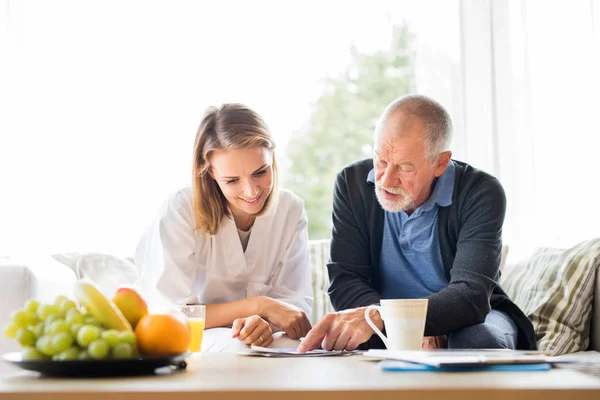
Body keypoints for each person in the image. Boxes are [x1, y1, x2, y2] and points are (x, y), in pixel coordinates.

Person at [298, 94, 536, 352]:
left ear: (440, 163)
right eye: (381, 160)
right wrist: (396, 325)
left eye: (405, 168)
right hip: (381, 321)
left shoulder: (480, 192)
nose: (386, 180)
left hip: (470, 320)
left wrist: (402, 322)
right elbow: (346, 280)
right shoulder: (351, 184)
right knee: (344, 339)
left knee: (478, 342)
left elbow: (471, 296)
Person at [135, 103, 312, 351]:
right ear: (210, 174)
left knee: (294, 347)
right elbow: (170, 312)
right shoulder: (181, 209)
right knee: (240, 351)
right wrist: (257, 306)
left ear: (272, 157)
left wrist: (261, 322)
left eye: (260, 172)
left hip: (265, 334)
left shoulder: (291, 209)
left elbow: (294, 306)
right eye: (232, 180)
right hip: (195, 334)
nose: (251, 192)